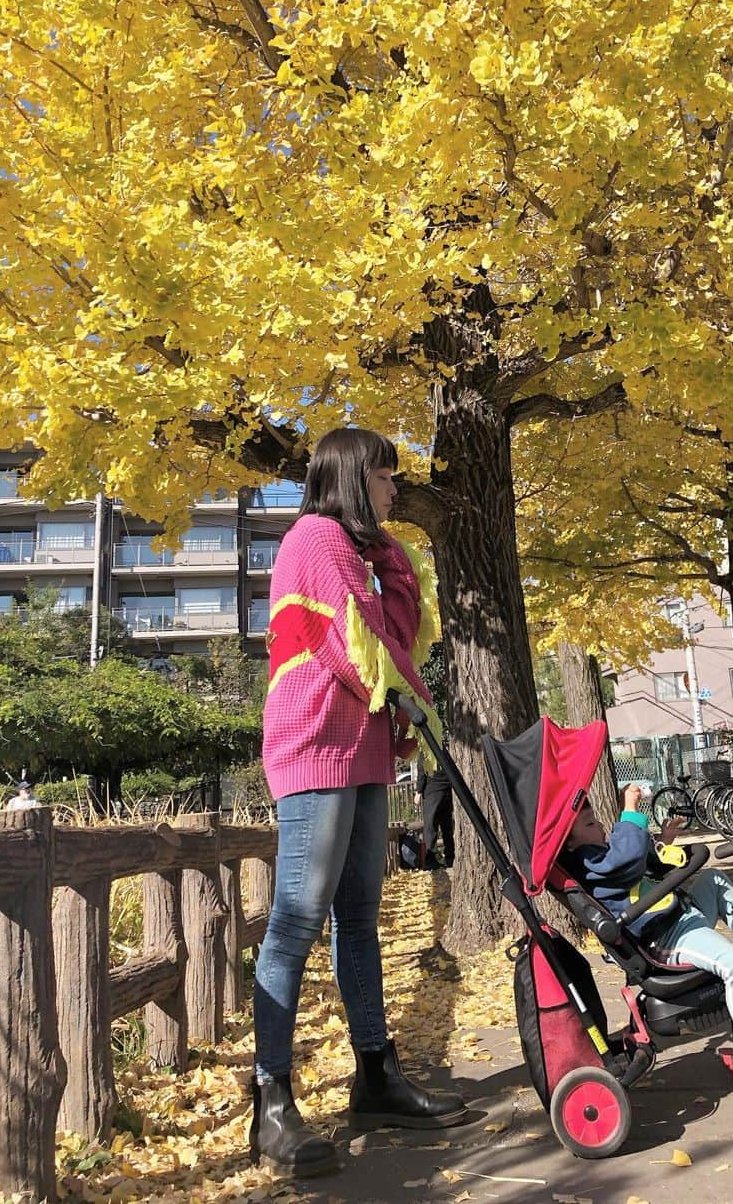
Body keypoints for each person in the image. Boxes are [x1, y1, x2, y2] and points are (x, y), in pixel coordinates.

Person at [251, 428, 466, 1177]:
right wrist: (410, 695)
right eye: (384, 476)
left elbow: (393, 634)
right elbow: (351, 643)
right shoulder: (313, 537)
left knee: (360, 921)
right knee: (297, 918)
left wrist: (395, 563)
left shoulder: (363, 554)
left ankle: (374, 1074)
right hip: (316, 742)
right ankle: (269, 1099)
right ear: (351, 475)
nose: (393, 489)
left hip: (364, 746)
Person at [562, 785, 733, 1101]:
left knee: (713, 880)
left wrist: (664, 841)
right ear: (570, 844)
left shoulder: (600, 856)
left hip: (681, 917)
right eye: (589, 825)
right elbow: (626, 859)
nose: (599, 825)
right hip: (666, 938)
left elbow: (643, 863)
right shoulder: (590, 863)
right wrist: (630, 810)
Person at [415, 759, 454, 869]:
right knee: (447, 827)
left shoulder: (425, 750)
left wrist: (419, 791)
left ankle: (431, 860)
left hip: (432, 790)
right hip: (446, 789)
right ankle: (450, 857)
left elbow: (422, 771)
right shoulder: (445, 749)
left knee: (430, 827)